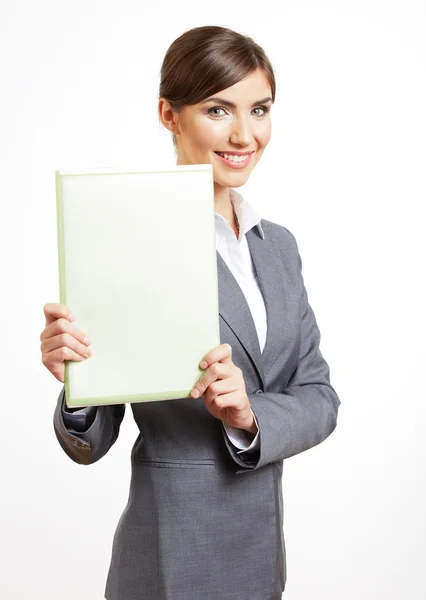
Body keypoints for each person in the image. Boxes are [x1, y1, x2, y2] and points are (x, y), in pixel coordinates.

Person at [40, 25, 341, 600]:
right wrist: (78, 382)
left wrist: (250, 416)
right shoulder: (125, 239)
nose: (244, 134)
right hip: (169, 557)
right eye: (217, 109)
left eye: (260, 109)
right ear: (169, 116)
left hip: (260, 560)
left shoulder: (277, 247)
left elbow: (320, 397)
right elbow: (91, 441)